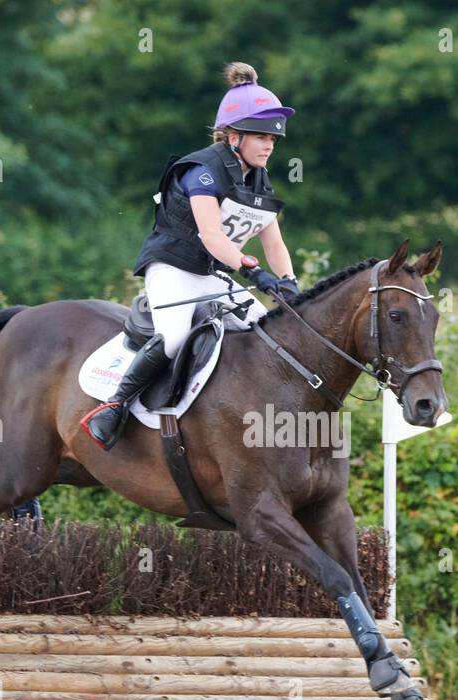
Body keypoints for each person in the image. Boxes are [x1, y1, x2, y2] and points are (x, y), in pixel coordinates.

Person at [81, 61, 302, 450]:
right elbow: (212, 235)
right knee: (175, 337)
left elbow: (274, 243)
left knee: (267, 329)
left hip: (210, 274)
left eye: (274, 139)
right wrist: (255, 274)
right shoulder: (202, 171)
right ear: (233, 136)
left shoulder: (257, 177)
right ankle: (113, 406)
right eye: (262, 136)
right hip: (171, 268)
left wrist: (288, 284)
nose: (270, 145)